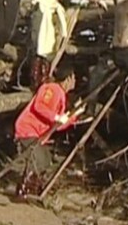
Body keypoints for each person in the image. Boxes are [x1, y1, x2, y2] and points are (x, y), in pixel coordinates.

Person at [30, 0, 107, 89]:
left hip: (51, 9)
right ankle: (36, 82)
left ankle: (45, 78)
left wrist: (97, 0)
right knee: (40, 46)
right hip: (42, 8)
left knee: (49, 46)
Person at [13, 64, 87, 198]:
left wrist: (73, 116)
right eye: (74, 78)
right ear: (68, 78)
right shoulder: (52, 89)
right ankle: (23, 190)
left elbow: (58, 125)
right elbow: (39, 106)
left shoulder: (62, 97)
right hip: (28, 129)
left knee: (46, 160)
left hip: (38, 134)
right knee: (39, 159)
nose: (75, 81)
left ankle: (32, 189)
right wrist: (56, 117)